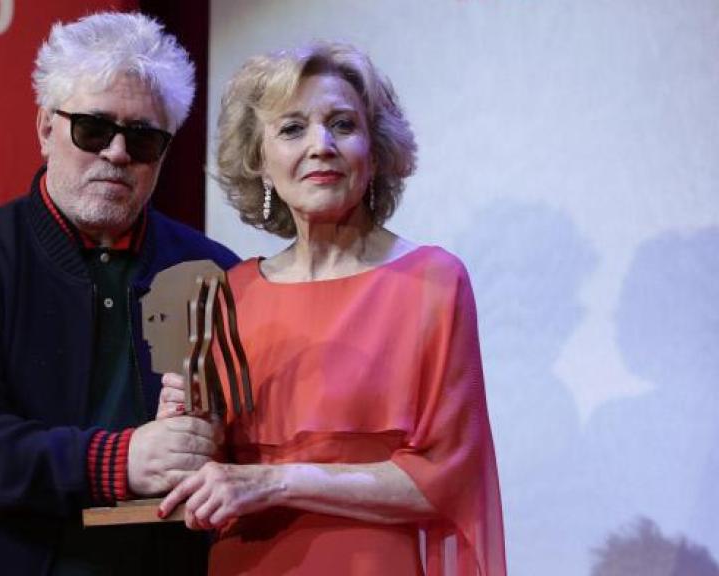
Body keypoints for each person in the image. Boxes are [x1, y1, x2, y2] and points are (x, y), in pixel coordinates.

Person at [0, 12, 237, 575]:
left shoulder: (215, 272)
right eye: (93, 129)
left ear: (163, 154)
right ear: (46, 127)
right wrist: (118, 461)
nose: (117, 153)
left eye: (142, 138)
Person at [155, 42, 507, 575]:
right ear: (260, 161)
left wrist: (276, 480)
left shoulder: (432, 282)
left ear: (375, 151)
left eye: (342, 125)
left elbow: (449, 477)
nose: (320, 145)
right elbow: (199, 478)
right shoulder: (228, 293)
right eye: (292, 128)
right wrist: (181, 429)